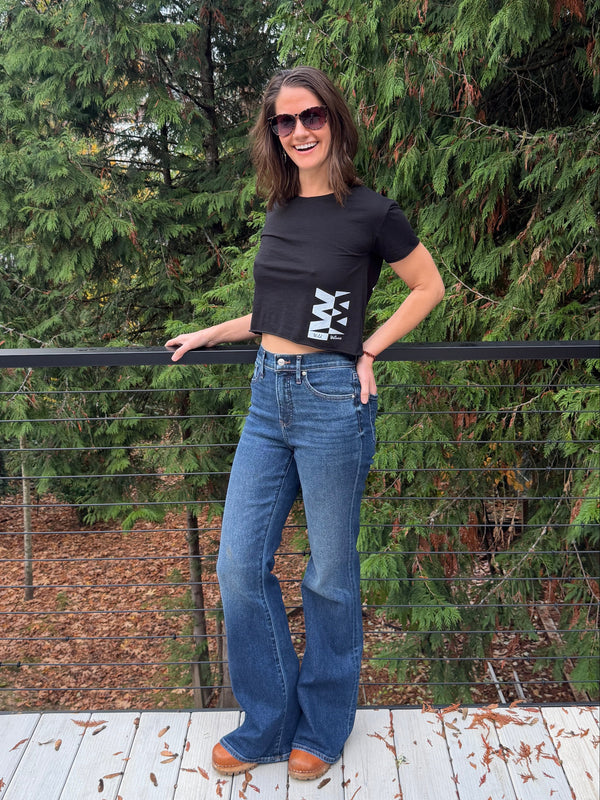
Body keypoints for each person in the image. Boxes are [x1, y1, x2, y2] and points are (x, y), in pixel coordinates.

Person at [166, 65, 444, 781]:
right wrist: (212, 333)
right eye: (284, 123)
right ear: (273, 134)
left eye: (310, 117)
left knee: (328, 574)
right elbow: (276, 314)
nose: (298, 132)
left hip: (328, 400)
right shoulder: (282, 210)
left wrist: (369, 349)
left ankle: (322, 729)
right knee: (238, 565)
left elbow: (428, 287)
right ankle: (266, 723)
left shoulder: (373, 213)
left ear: (336, 122)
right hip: (267, 398)